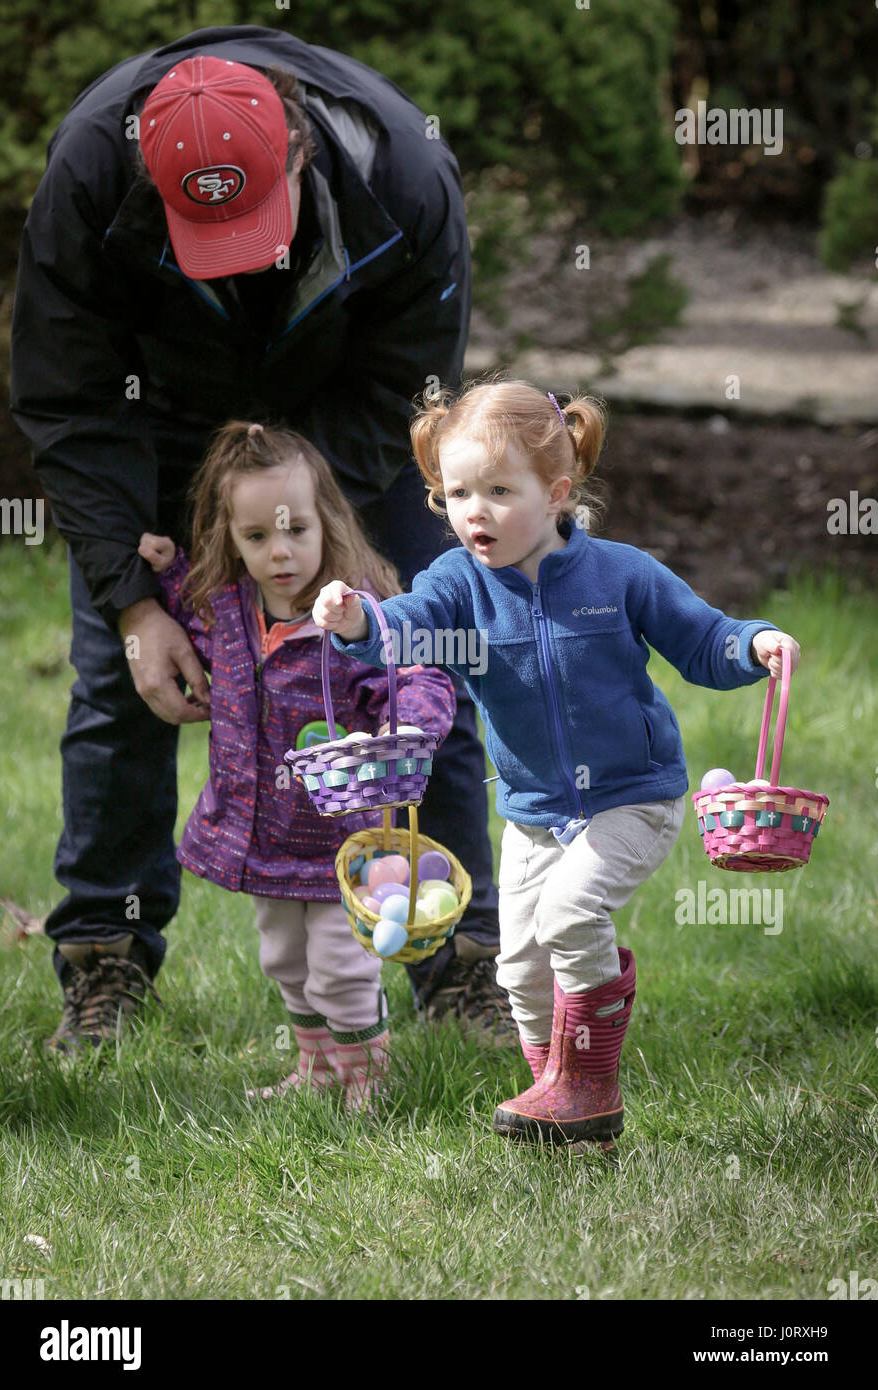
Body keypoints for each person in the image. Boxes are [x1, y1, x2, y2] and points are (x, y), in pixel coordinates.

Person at [9, 26, 504, 1051]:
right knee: (120, 673)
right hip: (166, 415)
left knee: (416, 653)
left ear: (298, 153)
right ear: (152, 177)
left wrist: (311, 547)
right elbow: (71, 396)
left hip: (349, 417)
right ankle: (106, 955)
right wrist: (141, 601)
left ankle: (455, 961)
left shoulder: (403, 175)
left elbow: (405, 389)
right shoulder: (90, 178)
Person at [313, 377, 801, 1146]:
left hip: (631, 796)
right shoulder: (458, 587)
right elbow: (403, 630)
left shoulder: (621, 575)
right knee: (521, 970)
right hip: (536, 811)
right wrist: (356, 622)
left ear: (558, 492)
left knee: (573, 915)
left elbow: (703, 640)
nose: (476, 510)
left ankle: (591, 1086)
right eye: (458, 492)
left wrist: (752, 644)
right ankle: (560, 1100)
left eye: (500, 490)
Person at [137, 419, 456, 1106]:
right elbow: (193, 629)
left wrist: (408, 728)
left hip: (340, 835)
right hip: (264, 831)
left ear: (325, 522)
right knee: (282, 957)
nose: (279, 553)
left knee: (341, 965)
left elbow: (415, 675)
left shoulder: (353, 617)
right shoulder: (228, 611)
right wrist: (168, 574)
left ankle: (368, 1078)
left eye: (296, 531)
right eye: (256, 537)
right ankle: (316, 1071)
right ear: (231, 539)